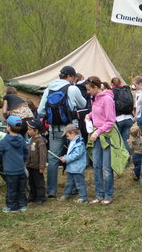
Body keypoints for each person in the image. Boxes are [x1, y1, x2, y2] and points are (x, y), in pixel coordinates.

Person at [37, 66, 87, 198]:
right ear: (70, 76)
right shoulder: (73, 88)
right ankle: (75, 187)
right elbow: (83, 104)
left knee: (53, 159)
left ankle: (51, 191)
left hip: (54, 130)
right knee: (75, 156)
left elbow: (41, 111)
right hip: (72, 129)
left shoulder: (48, 89)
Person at [85, 76, 126, 205]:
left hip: (106, 136)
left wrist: (97, 132)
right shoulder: (95, 98)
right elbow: (96, 113)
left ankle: (108, 195)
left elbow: (110, 121)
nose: (88, 92)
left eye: (88, 89)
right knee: (96, 165)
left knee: (106, 167)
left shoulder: (107, 99)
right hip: (96, 135)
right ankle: (99, 194)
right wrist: (89, 115)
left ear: (95, 87)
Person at [0, 115, 28, 212]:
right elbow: (25, 152)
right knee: (21, 189)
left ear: (8, 127)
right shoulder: (21, 138)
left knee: (11, 189)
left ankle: (11, 206)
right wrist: (23, 161)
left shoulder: (5, 141)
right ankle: (22, 205)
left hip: (10, 171)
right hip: (21, 169)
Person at [59, 124, 88, 203]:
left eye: (67, 136)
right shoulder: (73, 141)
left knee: (80, 183)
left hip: (77, 168)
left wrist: (66, 158)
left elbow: (76, 154)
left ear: (73, 133)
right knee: (69, 182)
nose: (67, 138)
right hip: (72, 167)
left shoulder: (79, 143)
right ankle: (66, 195)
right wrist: (65, 157)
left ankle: (83, 197)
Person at [26, 119, 47, 206]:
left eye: (29, 129)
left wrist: (42, 166)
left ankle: (41, 197)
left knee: (39, 183)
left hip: (37, 166)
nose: (28, 131)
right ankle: (32, 195)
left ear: (36, 131)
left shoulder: (40, 141)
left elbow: (42, 155)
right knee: (31, 182)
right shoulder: (32, 139)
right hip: (30, 165)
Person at [111, 77, 134, 154]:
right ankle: (128, 156)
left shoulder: (112, 92)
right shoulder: (127, 90)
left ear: (112, 84)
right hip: (129, 117)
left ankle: (121, 159)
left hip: (118, 118)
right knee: (126, 139)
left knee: (118, 140)